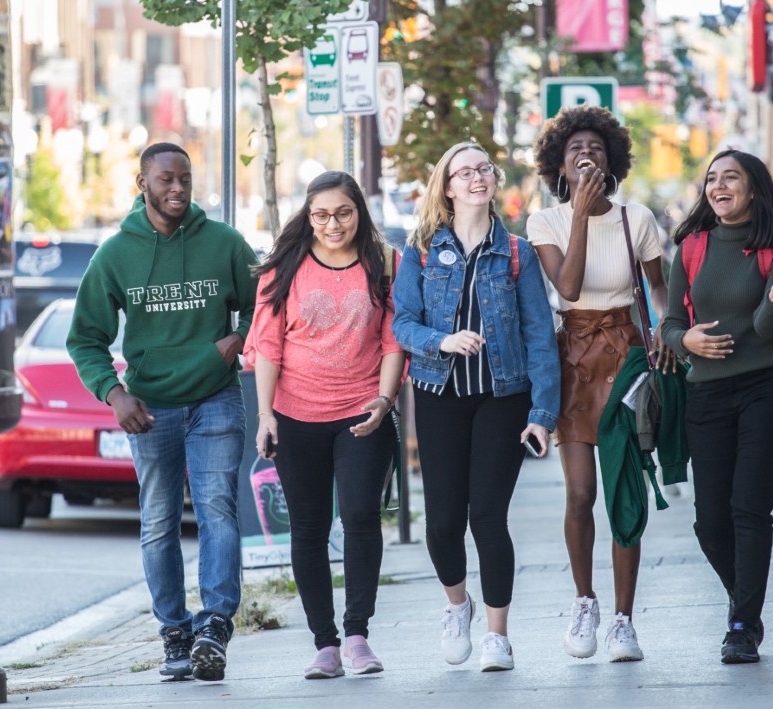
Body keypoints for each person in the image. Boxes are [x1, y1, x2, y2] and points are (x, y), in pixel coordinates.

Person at [67, 142, 258, 681]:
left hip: (216, 397)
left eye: (185, 179)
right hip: (150, 408)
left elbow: (265, 302)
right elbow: (85, 339)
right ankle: (175, 632)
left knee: (217, 509)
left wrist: (238, 338)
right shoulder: (115, 255)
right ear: (142, 183)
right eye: (166, 179)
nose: (177, 189)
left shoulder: (223, 242)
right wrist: (115, 394)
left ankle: (215, 625)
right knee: (158, 520)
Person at [392, 141, 560, 672]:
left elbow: (540, 336)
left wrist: (542, 415)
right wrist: (440, 341)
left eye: (484, 169)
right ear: (447, 187)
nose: (476, 178)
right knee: (443, 522)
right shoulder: (420, 250)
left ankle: (497, 635)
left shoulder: (516, 252)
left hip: (502, 396)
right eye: (464, 172)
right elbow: (401, 323)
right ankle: (457, 606)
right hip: (438, 394)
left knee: (487, 516)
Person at [246, 171, 405, 679]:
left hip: (362, 411)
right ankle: (325, 644)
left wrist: (384, 400)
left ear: (359, 212)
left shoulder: (385, 263)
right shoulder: (284, 267)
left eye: (343, 213)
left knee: (360, 517)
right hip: (296, 415)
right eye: (321, 215)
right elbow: (268, 345)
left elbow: (393, 340)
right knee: (309, 528)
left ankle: (357, 635)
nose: (332, 224)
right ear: (308, 216)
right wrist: (266, 415)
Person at [527, 105, 670, 662]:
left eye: (596, 148)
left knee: (623, 490)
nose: (586, 154)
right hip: (574, 360)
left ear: (612, 161)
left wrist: (663, 328)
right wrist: (582, 214)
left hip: (626, 355)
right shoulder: (546, 222)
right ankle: (584, 601)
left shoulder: (638, 219)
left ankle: (623, 620)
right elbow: (567, 288)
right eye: (574, 149)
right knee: (581, 492)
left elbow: (657, 288)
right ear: (559, 165)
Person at [661, 149, 773, 663]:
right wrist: (686, 342)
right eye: (712, 178)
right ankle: (744, 600)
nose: (719, 186)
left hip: (771, 386)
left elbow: (770, 328)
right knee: (710, 522)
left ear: (753, 189)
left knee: (748, 505)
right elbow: (670, 324)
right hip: (707, 391)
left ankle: (743, 625)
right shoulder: (691, 247)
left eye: (731, 177)